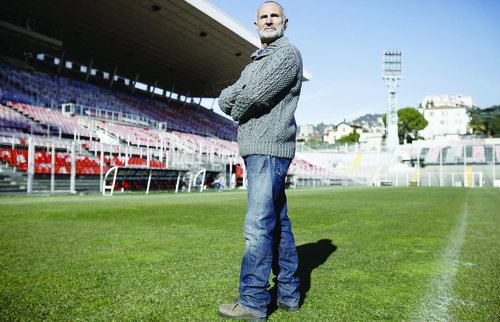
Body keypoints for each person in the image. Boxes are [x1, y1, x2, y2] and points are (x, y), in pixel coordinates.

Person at [218, 1, 303, 320]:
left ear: (285, 22)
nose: (269, 21)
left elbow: (252, 96)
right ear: (255, 24)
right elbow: (226, 95)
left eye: (274, 16)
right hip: (258, 147)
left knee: (257, 225)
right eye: (263, 17)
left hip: (269, 147)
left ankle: (253, 302)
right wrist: (239, 97)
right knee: (278, 224)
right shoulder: (256, 61)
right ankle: (289, 294)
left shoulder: (286, 54)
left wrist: (237, 108)